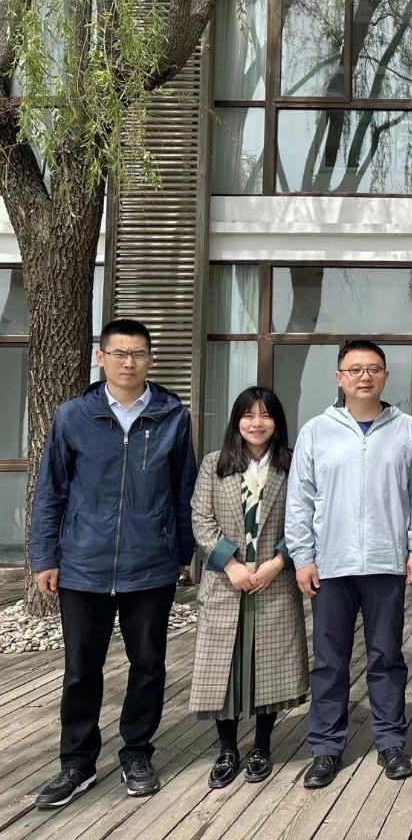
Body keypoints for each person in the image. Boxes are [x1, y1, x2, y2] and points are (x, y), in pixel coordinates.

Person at [28, 319, 198, 808]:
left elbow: (183, 489)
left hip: (150, 566)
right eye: (119, 353)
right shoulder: (72, 416)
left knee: (148, 664)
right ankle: (77, 763)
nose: (129, 362)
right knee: (81, 669)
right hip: (83, 564)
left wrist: (181, 553)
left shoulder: (172, 416)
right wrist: (44, 556)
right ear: (100, 358)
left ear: (150, 359)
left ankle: (137, 752)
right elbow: (50, 491)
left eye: (138, 353)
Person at [285, 340, 412, 790]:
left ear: (385, 375)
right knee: (330, 661)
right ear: (339, 377)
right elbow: (300, 499)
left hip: (387, 562)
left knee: (387, 656)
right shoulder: (316, 431)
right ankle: (326, 747)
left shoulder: (407, 429)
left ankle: (390, 741)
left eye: (373, 369)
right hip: (332, 563)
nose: (364, 376)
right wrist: (303, 557)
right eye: (354, 369)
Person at [189, 386, 308, 789]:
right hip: (226, 582)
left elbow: (306, 519)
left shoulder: (292, 464)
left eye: (265, 415)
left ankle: (261, 745)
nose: (257, 423)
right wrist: (231, 564)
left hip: (274, 580)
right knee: (223, 666)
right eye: (248, 415)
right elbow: (201, 519)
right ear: (236, 420)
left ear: (277, 421)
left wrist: (277, 563)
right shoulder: (215, 464)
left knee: (268, 665)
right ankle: (227, 749)